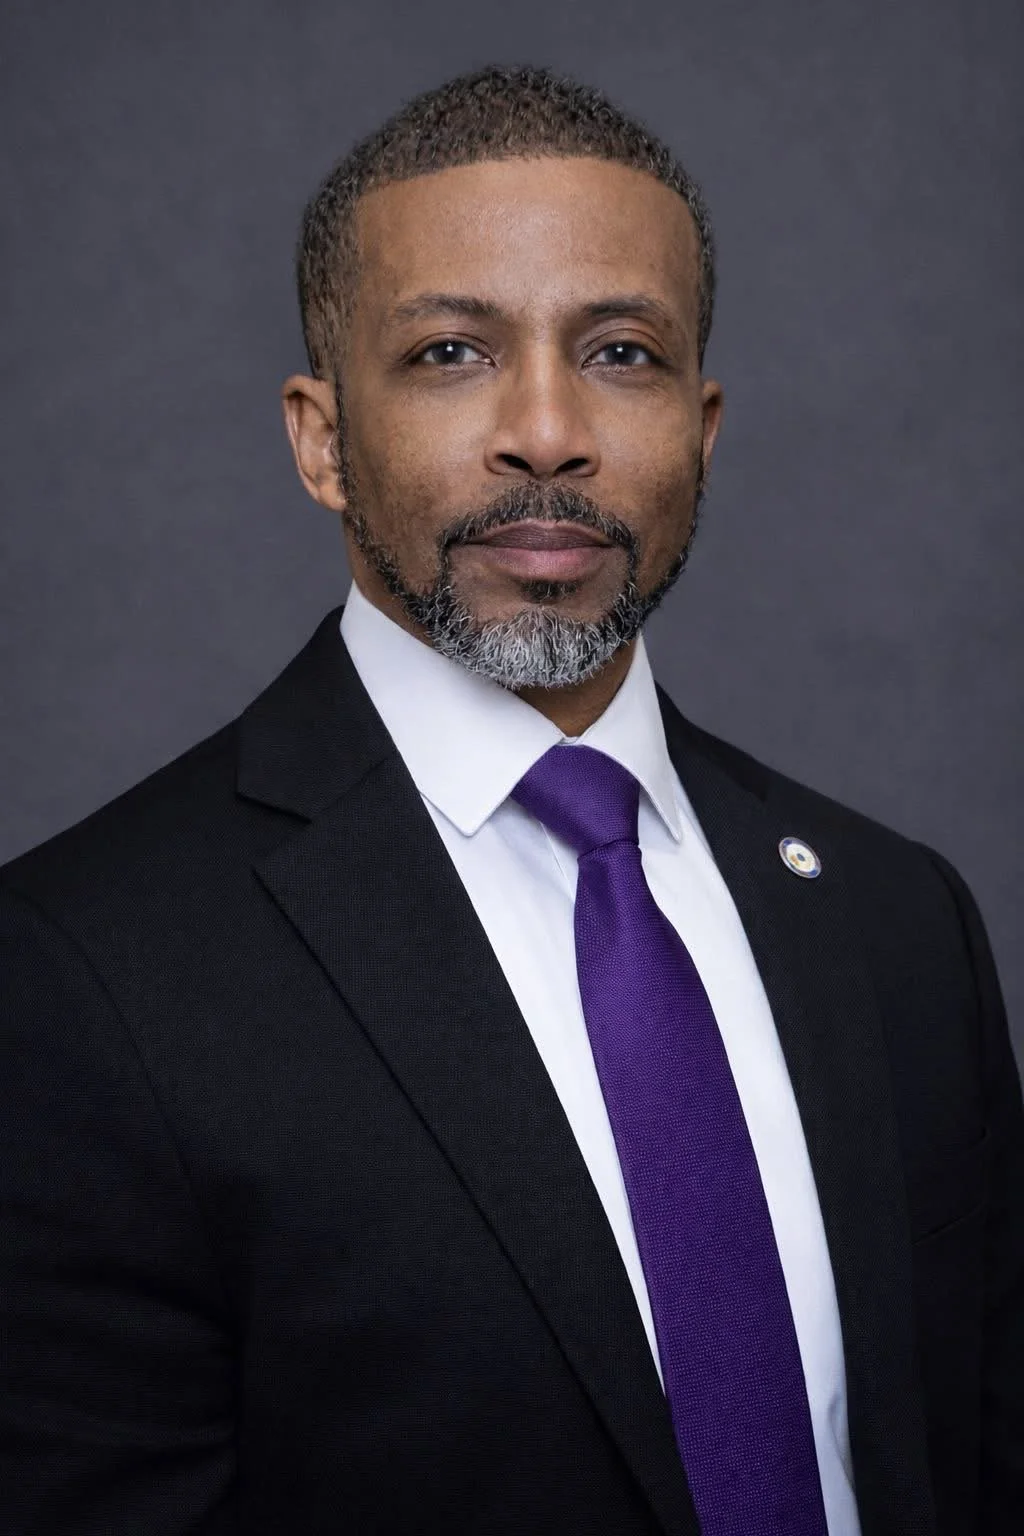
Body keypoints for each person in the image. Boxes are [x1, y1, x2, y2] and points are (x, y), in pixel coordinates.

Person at [1, 64, 1020, 1536]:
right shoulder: (77, 975)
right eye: (449, 356)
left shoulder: (897, 918)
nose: (546, 430)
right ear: (320, 438)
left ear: (705, 429)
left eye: (618, 351)